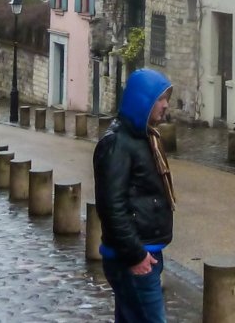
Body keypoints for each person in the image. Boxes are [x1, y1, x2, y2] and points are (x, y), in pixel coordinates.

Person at [94, 69, 177, 323]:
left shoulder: (144, 137)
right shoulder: (117, 143)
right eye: (160, 99)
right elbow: (112, 207)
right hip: (133, 258)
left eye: (167, 98)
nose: (166, 105)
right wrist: (135, 255)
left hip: (145, 252)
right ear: (143, 101)